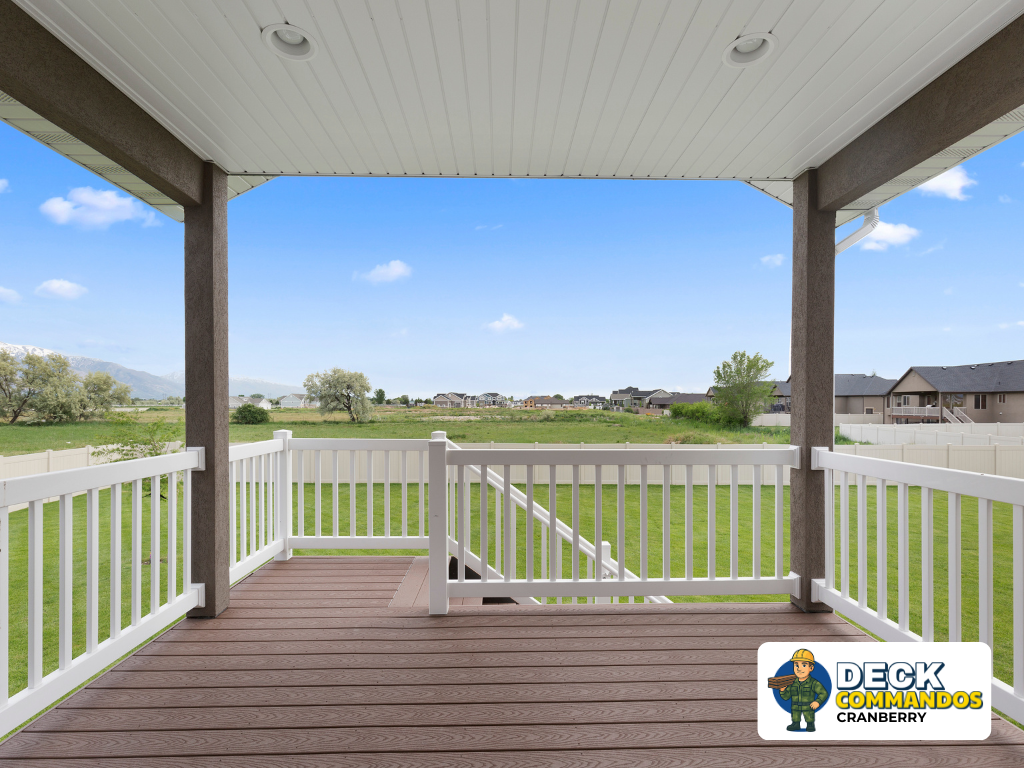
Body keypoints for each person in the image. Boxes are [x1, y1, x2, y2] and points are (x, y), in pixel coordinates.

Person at [779, 648, 827, 732]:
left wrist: (817, 702)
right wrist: (782, 691)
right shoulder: (792, 683)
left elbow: (823, 693)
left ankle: (810, 724)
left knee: (809, 717)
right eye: (796, 665)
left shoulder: (814, 683)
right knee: (795, 716)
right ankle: (795, 724)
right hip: (795, 707)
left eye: (804, 665)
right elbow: (786, 697)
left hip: (808, 707)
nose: (799, 669)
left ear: (811, 668)